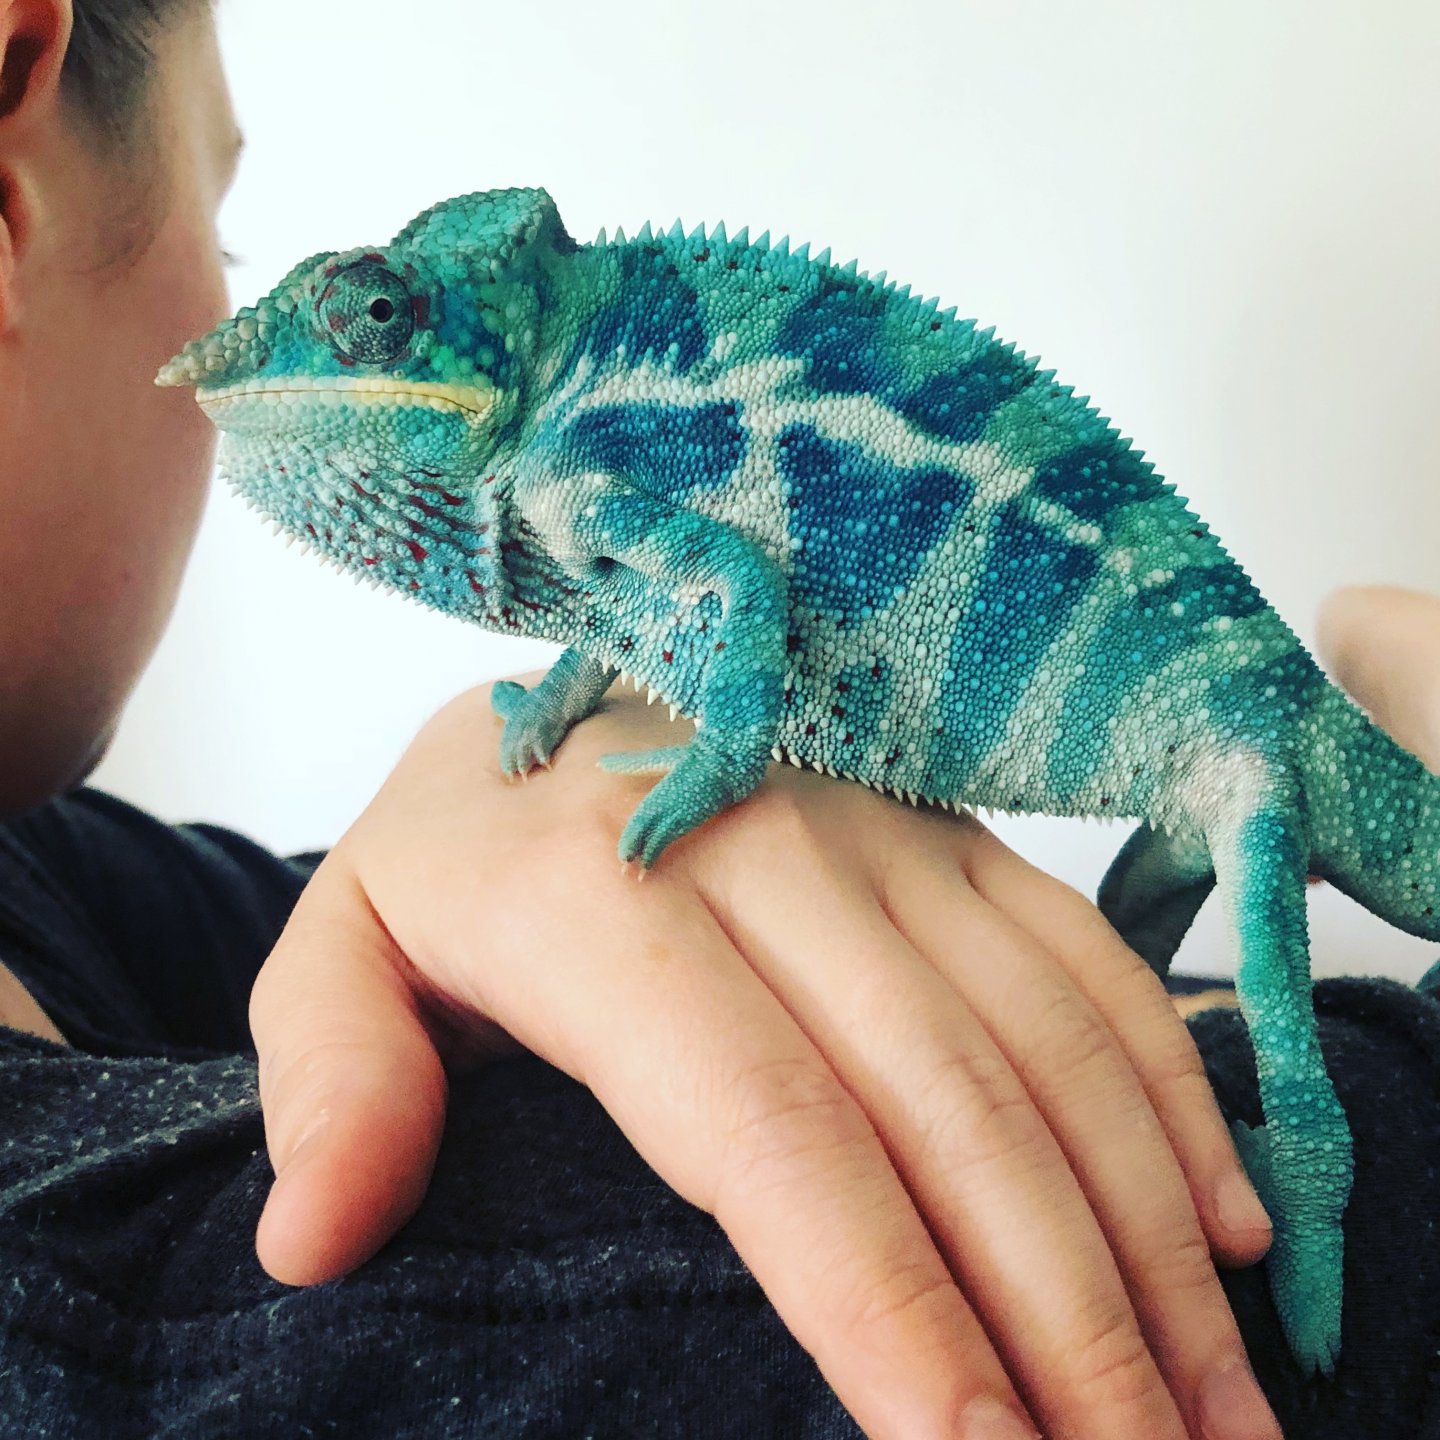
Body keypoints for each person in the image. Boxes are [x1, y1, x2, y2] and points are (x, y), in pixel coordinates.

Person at [0, 2, 1431, 1435]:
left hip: (1231, 720)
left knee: (1248, 1005)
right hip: (1219, 727)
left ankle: (1314, 1121)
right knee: (1153, 975)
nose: (224, 354)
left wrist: (636, 759)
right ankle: (1401, 663)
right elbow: (664, 583)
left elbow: (698, 580)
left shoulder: (82, 893)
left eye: (360, 314)